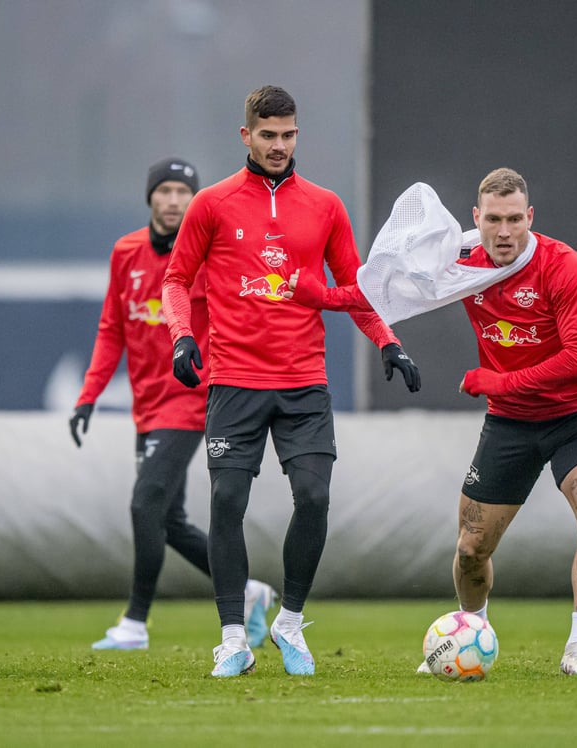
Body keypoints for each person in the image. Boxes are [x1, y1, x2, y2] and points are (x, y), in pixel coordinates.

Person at [287, 168, 577, 678]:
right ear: (476, 219)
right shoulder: (460, 260)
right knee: (470, 549)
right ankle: (470, 632)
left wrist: (500, 381)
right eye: (494, 220)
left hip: (576, 414)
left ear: (530, 217)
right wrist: (322, 298)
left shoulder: (563, 266)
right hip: (511, 422)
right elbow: (387, 290)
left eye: (515, 220)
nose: (504, 232)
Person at [161, 86, 421, 678]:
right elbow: (176, 280)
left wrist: (388, 341)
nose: (279, 145)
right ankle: (233, 638)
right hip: (235, 380)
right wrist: (182, 335)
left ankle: (290, 621)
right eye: (268, 135)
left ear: (297, 134)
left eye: (288, 135)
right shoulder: (211, 203)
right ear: (247, 135)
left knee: (315, 497)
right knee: (227, 501)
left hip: (304, 382)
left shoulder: (325, 206)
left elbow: (355, 287)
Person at [70, 157, 276, 652]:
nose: (173, 200)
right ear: (150, 197)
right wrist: (88, 395)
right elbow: (111, 329)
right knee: (167, 520)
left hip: (190, 399)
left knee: (145, 503)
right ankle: (248, 590)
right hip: (147, 405)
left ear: (194, 200)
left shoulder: (207, 254)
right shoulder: (126, 252)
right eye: (164, 190)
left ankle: (134, 623)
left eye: (183, 192)